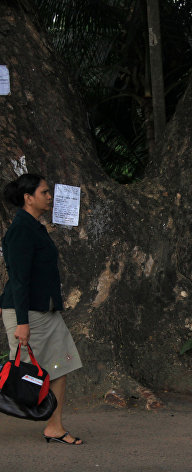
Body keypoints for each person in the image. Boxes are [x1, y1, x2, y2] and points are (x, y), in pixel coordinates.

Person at [0, 174, 83, 445]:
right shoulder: (21, 229)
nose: (50, 196)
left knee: (61, 364)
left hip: (45, 312)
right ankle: (53, 426)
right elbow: (19, 279)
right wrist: (21, 322)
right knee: (17, 376)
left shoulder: (34, 226)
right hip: (28, 314)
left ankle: (54, 427)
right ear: (28, 197)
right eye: (45, 192)